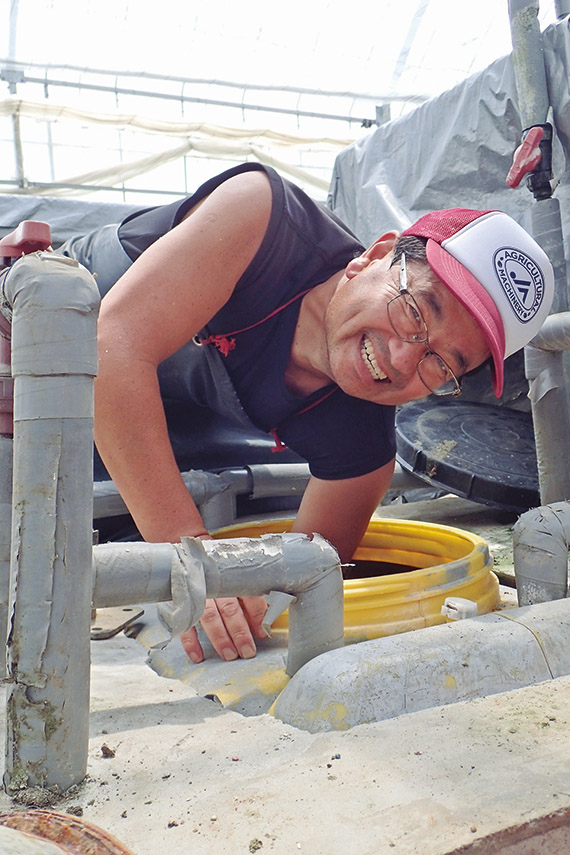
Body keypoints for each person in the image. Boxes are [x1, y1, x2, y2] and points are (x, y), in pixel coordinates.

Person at [58, 162, 554, 665]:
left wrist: (239, 604)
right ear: (376, 256)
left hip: (156, 420)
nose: (403, 361)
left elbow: (297, 588)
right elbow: (109, 349)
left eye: (443, 363)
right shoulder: (263, 218)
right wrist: (192, 559)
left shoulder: (362, 452)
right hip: (43, 343)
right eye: (416, 312)